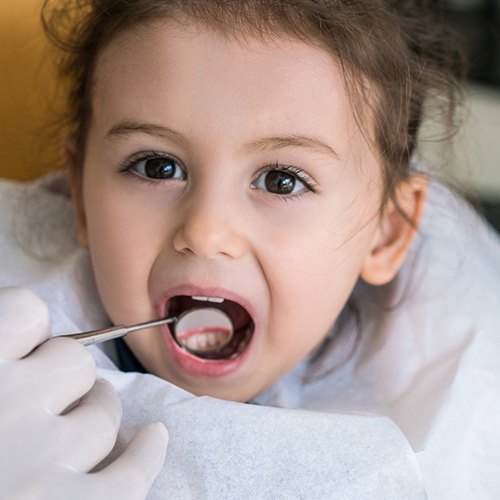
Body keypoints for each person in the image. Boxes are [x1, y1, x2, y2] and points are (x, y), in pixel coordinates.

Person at [1, 0, 499, 498]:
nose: (206, 231)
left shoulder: (461, 423)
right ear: (82, 197)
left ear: (386, 233)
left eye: (282, 181)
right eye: (157, 167)